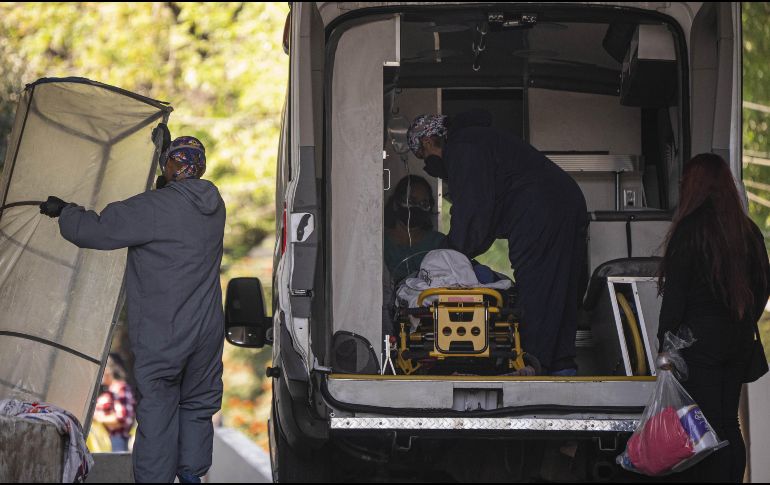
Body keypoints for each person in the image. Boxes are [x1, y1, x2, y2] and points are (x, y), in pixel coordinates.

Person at [39, 128, 226, 484]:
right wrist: (166, 162)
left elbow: (95, 230)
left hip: (167, 330)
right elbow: (177, 207)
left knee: (157, 405)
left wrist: (65, 211)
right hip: (206, 330)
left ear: (172, 166)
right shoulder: (213, 205)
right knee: (198, 403)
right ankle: (191, 476)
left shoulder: (155, 207)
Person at [407, 110, 588, 375]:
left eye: (424, 158)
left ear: (427, 143)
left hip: (539, 211)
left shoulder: (463, 148)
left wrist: (449, 260)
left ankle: (534, 365)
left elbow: (473, 212)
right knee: (562, 286)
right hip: (566, 202)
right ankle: (561, 365)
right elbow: (483, 215)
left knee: (538, 286)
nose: (430, 166)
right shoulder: (480, 141)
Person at [657, 153, 770, 483]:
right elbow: (764, 283)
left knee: (704, 426)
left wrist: (665, 344)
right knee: (729, 423)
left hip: (698, 344)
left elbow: (675, 298)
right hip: (737, 341)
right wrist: (743, 319)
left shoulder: (689, 231)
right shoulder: (747, 230)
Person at [384, 175, 446, 284]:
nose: (417, 207)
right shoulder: (380, 242)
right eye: (411, 201)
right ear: (395, 204)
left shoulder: (438, 243)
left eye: (423, 203)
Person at [94, 354, 135, 452]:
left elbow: (123, 419)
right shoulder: (108, 391)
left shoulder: (121, 389)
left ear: (109, 370)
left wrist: (97, 417)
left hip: (116, 441)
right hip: (102, 440)